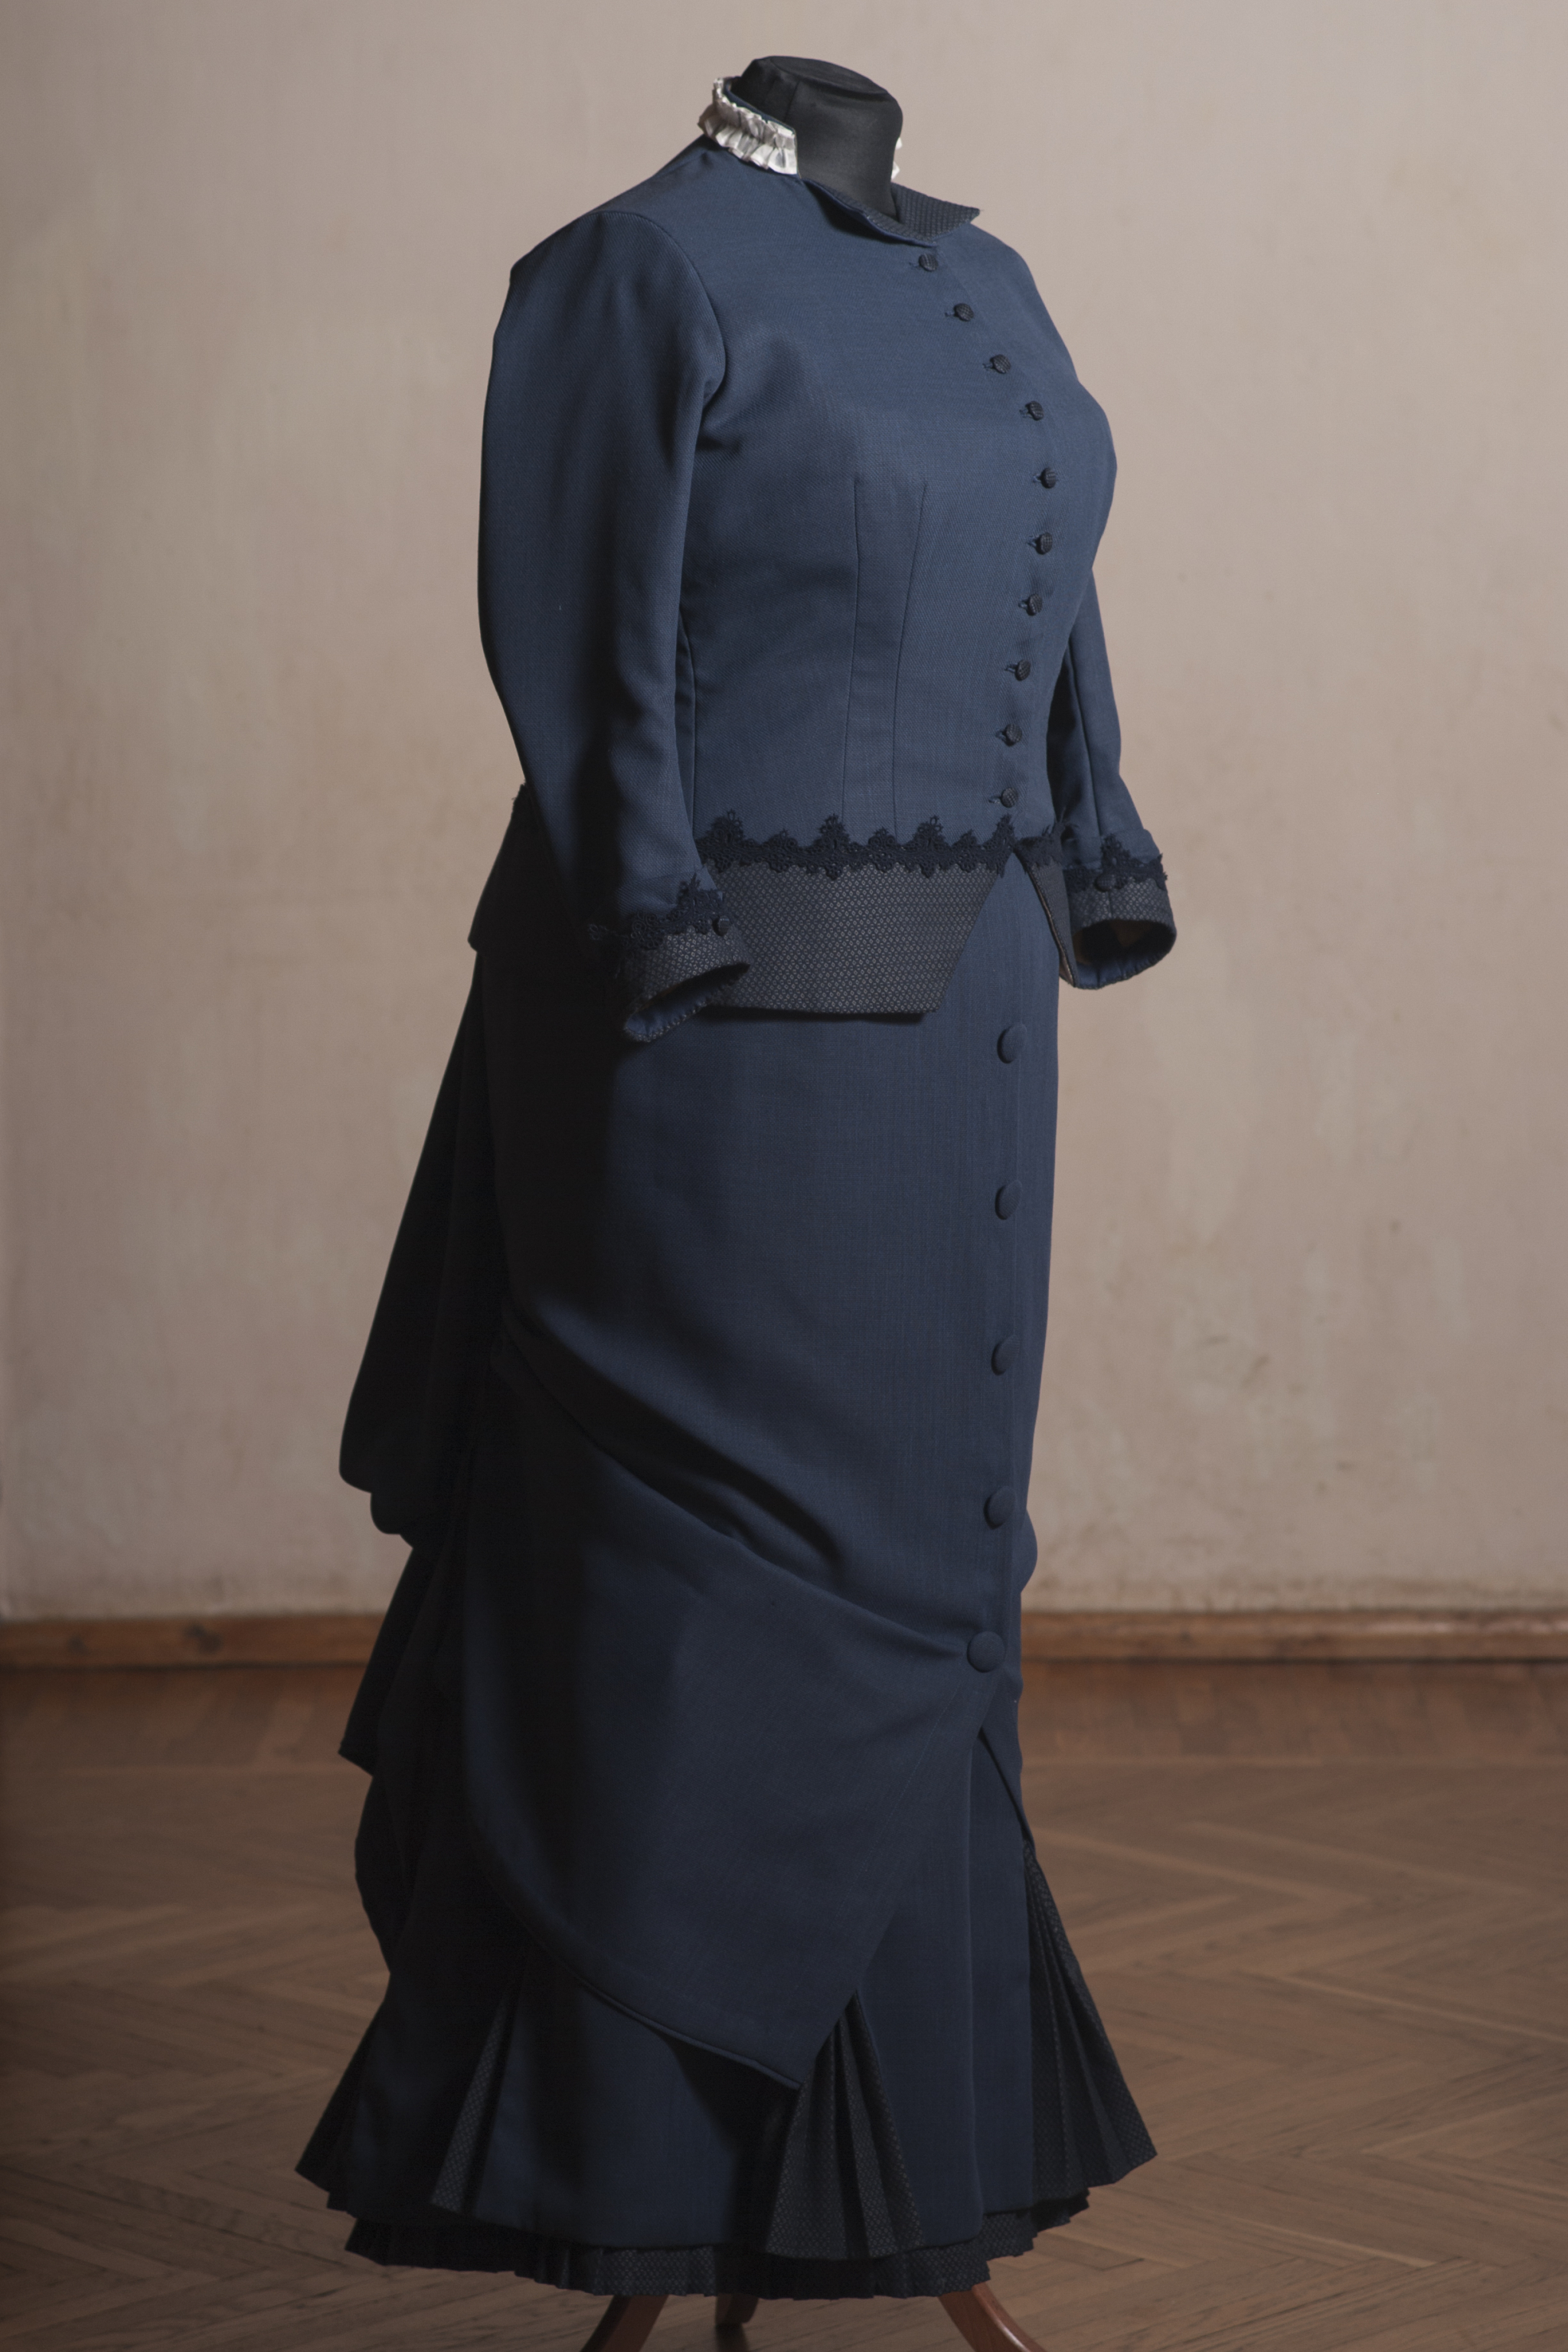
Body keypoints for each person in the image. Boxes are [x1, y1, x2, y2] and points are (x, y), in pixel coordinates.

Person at [301, 57, 1174, 2352]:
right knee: (724, 1567)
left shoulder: (986, 272)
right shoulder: (630, 271)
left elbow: (1051, 588)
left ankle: (900, 2169)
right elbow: (573, 640)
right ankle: (649, 2174)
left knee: (938, 1556)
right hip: (698, 1033)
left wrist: (1093, 839)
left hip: (970, 1028)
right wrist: (658, 916)